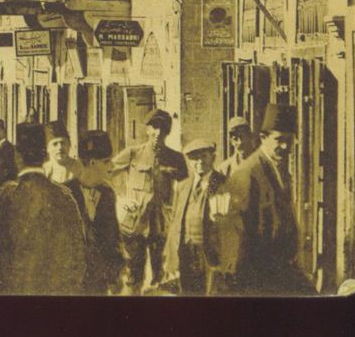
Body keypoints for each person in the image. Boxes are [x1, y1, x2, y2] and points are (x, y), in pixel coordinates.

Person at [0, 121, 87, 295]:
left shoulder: (3, 196)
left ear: (17, 157)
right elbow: (78, 252)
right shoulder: (65, 197)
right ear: (45, 156)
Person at [211, 104, 309, 295]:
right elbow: (235, 234)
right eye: (279, 140)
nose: (285, 147)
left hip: (279, 271)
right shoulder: (247, 173)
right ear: (263, 138)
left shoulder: (277, 168)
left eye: (289, 140)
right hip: (258, 277)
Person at [110, 108, 188, 295]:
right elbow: (106, 173)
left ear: (167, 131)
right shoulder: (133, 153)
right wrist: (121, 198)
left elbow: (186, 188)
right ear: (147, 129)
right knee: (132, 276)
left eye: (162, 128)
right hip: (135, 224)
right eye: (154, 127)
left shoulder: (176, 158)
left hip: (161, 225)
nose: (158, 132)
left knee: (160, 276)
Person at [164, 139, 226, 295]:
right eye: (194, 158)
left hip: (209, 252)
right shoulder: (183, 185)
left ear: (213, 157)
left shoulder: (222, 183)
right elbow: (174, 223)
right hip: (185, 251)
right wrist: (171, 261)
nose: (199, 162)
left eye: (203, 156)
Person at [65, 131, 124, 295]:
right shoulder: (64, 193)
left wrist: (114, 275)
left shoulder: (107, 194)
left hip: (99, 284)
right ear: (91, 162)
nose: (112, 167)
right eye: (106, 162)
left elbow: (112, 239)